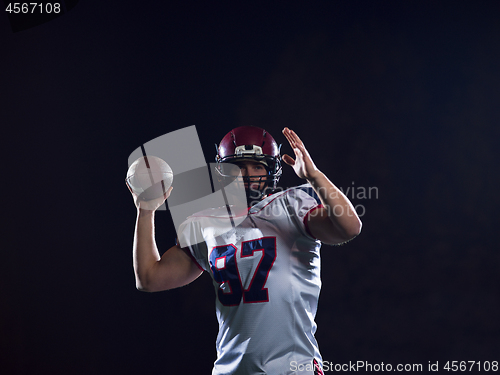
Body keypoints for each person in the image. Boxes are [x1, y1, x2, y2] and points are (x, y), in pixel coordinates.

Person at [127, 126, 362, 375]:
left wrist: (314, 176)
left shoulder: (294, 204)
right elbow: (149, 279)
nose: (247, 174)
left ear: (272, 170)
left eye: (257, 166)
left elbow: (350, 227)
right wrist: (146, 211)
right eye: (238, 167)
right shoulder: (205, 223)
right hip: (231, 370)